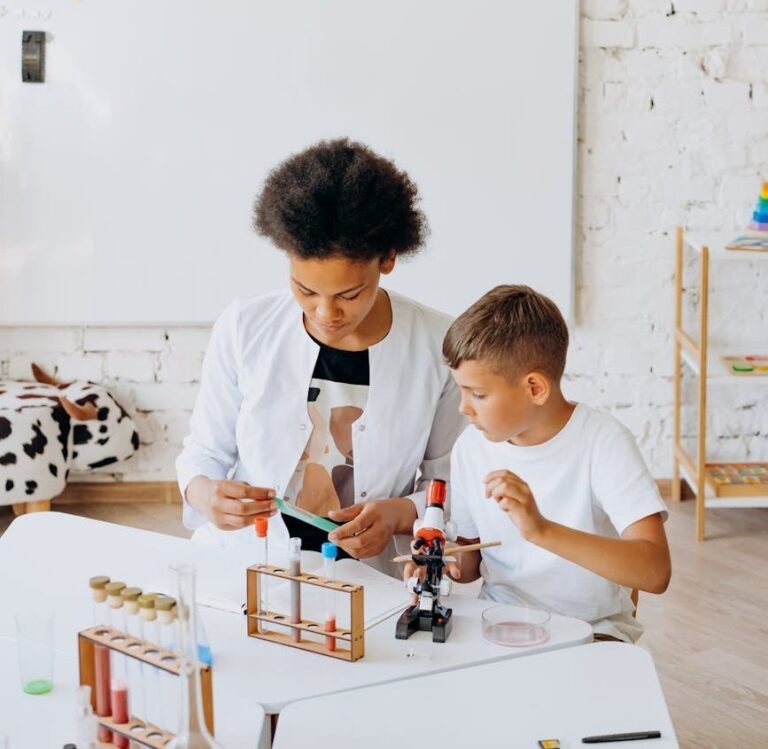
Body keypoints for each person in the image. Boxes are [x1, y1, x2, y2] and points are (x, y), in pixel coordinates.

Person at [176, 138, 466, 576]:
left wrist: (397, 514)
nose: (326, 313)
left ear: (388, 258)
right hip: (245, 560)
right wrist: (203, 493)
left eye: (349, 294)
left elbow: (450, 483)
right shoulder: (244, 326)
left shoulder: (438, 345)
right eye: (305, 290)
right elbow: (203, 452)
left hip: (367, 576)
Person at [439, 284, 670, 641]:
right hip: (499, 622)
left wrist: (540, 530)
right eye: (461, 390)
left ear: (535, 388)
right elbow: (469, 565)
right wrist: (442, 561)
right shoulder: (471, 447)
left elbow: (655, 572)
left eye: (479, 394)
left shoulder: (603, 442)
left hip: (592, 629)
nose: (464, 408)